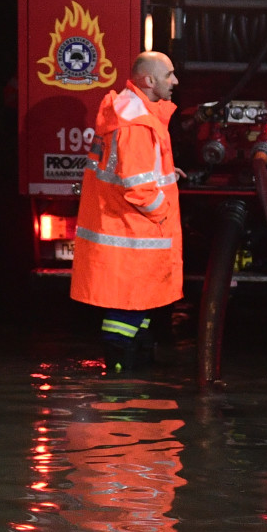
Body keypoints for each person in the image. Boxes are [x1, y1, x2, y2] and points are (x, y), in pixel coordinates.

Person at [70, 52, 183, 369]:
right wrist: (163, 214)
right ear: (149, 81)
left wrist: (169, 173)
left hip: (127, 232)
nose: (174, 81)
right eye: (169, 75)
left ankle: (131, 384)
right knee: (127, 312)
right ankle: (121, 386)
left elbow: (132, 169)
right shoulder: (136, 124)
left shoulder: (127, 109)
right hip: (133, 233)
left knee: (137, 309)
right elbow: (138, 186)